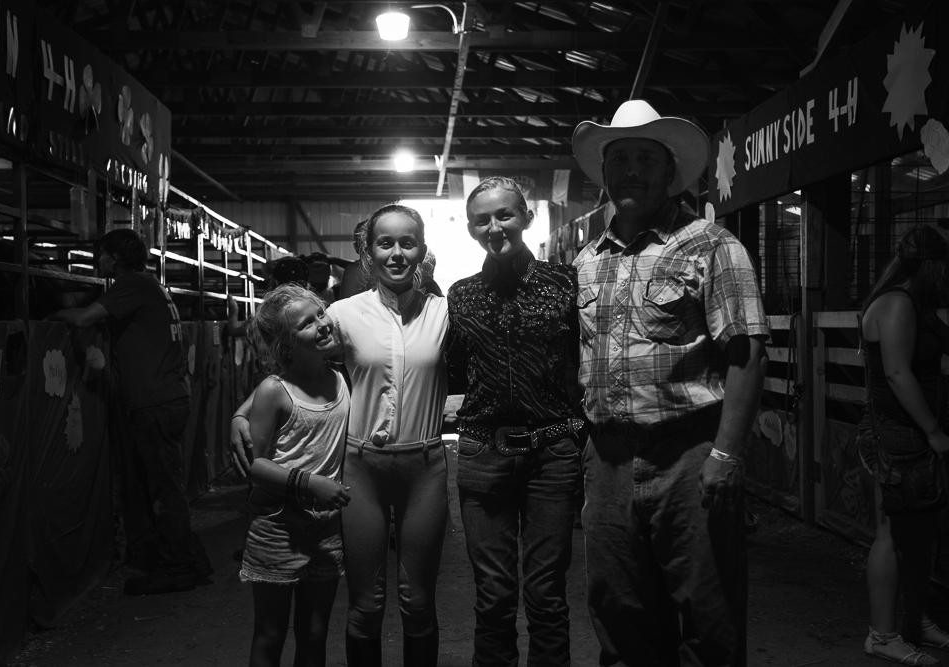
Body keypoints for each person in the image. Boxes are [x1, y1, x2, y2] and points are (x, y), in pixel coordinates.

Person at [571, 99, 769, 665]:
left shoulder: (711, 245)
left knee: (710, 618)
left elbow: (747, 353)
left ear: (668, 170)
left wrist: (727, 456)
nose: (631, 169)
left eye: (644, 158)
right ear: (605, 173)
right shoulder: (587, 261)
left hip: (688, 456)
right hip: (607, 458)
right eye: (621, 159)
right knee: (619, 613)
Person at [232, 203, 449, 667]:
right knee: (365, 606)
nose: (396, 253)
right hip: (361, 469)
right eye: (384, 243)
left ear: (422, 251)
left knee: (418, 603)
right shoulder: (342, 313)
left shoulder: (444, 313)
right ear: (368, 254)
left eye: (406, 243)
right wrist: (240, 413)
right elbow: (291, 367)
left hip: (425, 468)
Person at [446, 176, 583, 667]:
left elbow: (581, 360)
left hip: (552, 455)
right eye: (482, 219)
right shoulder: (460, 296)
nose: (494, 226)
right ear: (469, 228)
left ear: (527, 217)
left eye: (504, 214)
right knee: (494, 595)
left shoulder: (565, 282)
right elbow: (454, 368)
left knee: (547, 595)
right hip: (484, 453)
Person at [49, 229, 212, 595]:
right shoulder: (150, 283)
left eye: (103, 255)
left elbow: (83, 319)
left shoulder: (131, 285)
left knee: (164, 489)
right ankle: (191, 559)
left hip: (155, 400)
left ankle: (179, 566)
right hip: (167, 396)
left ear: (115, 259)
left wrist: (51, 312)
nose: (99, 261)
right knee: (164, 484)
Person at [241, 283, 352, 667]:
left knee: (315, 633)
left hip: (326, 528)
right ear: (286, 345)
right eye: (306, 324)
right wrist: (309, 483)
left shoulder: (342, 376)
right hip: (277, 526)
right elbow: (253, 465)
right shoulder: (275, 390)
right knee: (270, 634)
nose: (322, 325)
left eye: (321, 314)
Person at [857, 225, 949, 666]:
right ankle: (883, 634)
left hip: (907, 429)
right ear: (931, 266)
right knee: (892, 535)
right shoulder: (897, 304)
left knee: (919, 533)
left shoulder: (912, 303)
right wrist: (932, 431)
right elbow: (897, 373)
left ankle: (915, 620)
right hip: (899, 431)